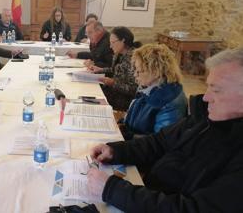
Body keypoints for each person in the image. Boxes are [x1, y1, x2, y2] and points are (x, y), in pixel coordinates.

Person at [87, 47, 243, 213]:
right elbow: (160, 141)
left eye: (216, 89)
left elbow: (192, 208)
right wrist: (116, 151)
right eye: (208, 87)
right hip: (148, 192)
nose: (205, 97)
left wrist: (113, 190)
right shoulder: (205, 117)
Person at [119, 43, 187, 140]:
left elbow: (161, 142)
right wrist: (122, 124)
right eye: (135, 70)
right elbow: (135, 115)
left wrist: (127, 136)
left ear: (155, 72)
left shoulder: (169, 102)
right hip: (134, 143)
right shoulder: (149, 87)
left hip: (143, 151)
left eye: (139, 71)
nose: (135, 75)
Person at [88, 26, 139, 111]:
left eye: (112, 42)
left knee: (92, 101)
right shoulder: (119, 54)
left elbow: (134, 89)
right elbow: (114, 69)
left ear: (123, 40)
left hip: (123, 100)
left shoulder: (133, 59)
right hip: (113, 92)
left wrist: (113, 83)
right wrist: (100, 69)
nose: (110, 46)